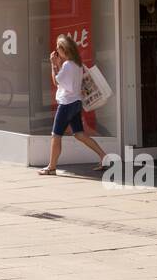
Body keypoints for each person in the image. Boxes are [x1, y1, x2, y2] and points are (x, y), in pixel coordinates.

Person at [39, 34, 109, 176]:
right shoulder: (76, 64)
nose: (57, 52)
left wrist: (53, 64)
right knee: (79, 134)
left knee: (56, 135)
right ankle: (104, 156)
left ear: (64, 49)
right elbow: (65, 79)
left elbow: (57, 81)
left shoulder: (67, 65)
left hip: (66, 104)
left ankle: (51, 167)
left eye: (58, 49)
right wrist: (58, 64)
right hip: (76, 103)